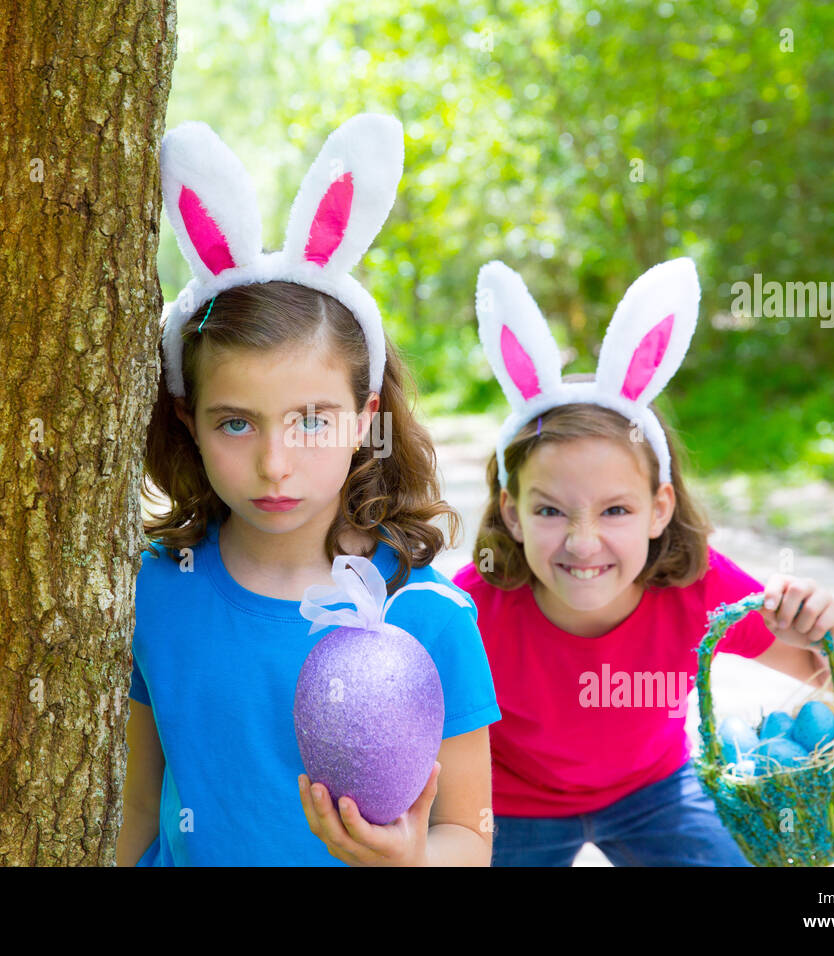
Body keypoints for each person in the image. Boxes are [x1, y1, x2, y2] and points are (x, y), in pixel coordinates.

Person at [116, 114, 500, 867]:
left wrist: (412, 858)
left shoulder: (426, 614)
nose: (275, 464)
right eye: (236, 424)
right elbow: (135, 806)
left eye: (311, 421)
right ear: (188, 420)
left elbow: (470, 833)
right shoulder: (154, 590)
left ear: (365, 419)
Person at [451, 258, 834, 866]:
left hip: (654, 790)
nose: (583, 542)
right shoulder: (470, 609)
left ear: (659, 510)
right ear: (511, 514)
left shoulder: (699, 587)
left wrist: (825, 627)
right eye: (550, 512)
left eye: (616, 511)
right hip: (514, 802)